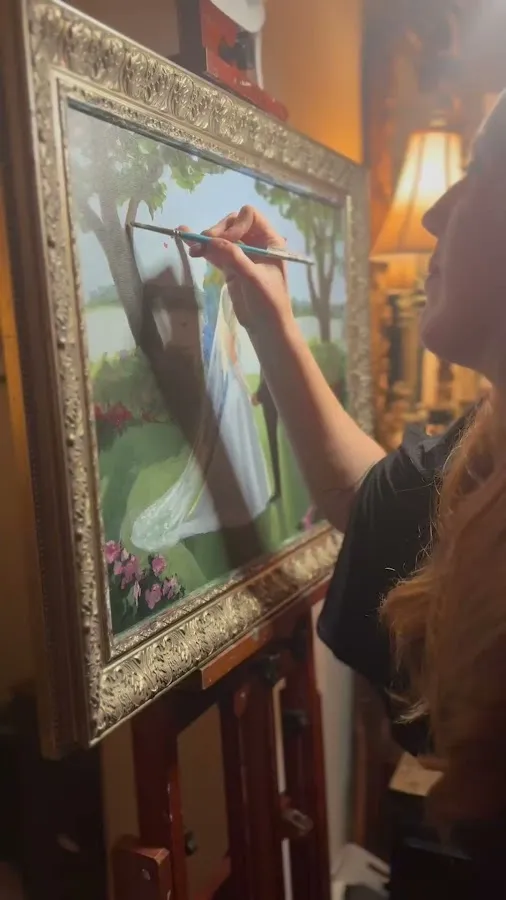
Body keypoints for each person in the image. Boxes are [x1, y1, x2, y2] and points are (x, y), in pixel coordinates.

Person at [183, 89, 506, 881]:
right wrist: (272, 321)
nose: (435, 213)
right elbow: (379, 503)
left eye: (476, 174)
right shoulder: (491, 442)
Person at [131, 283, 270, 550]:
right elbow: (233, 362)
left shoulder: (225, 329)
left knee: (239, 442)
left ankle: (245, 493)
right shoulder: (229, 332)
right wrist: (246, 388)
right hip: (235, 393)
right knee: (239, 441)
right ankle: (245, 494)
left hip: (231, 393)